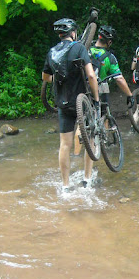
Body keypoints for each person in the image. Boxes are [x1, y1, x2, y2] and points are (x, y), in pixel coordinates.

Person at [42, 18, 100, 190]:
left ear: (60, 35)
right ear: (73, 33)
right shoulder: (79, 48)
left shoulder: (51, 52)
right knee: (90, 139)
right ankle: (86, 180)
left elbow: (46, 77)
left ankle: (65, 186)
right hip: (82, 101)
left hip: (63, 103)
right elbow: (91, 76)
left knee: (65, 145)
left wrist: (59, 78)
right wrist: (96, 99)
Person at [89, 25, 133, 112]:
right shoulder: (110, 57)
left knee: (81, 118)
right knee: (104, 114)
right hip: (100, 88)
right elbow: (119, 79)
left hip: (82, 87)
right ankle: (105, 121)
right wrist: (129, 95)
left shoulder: (85, 50)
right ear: (109, 42)